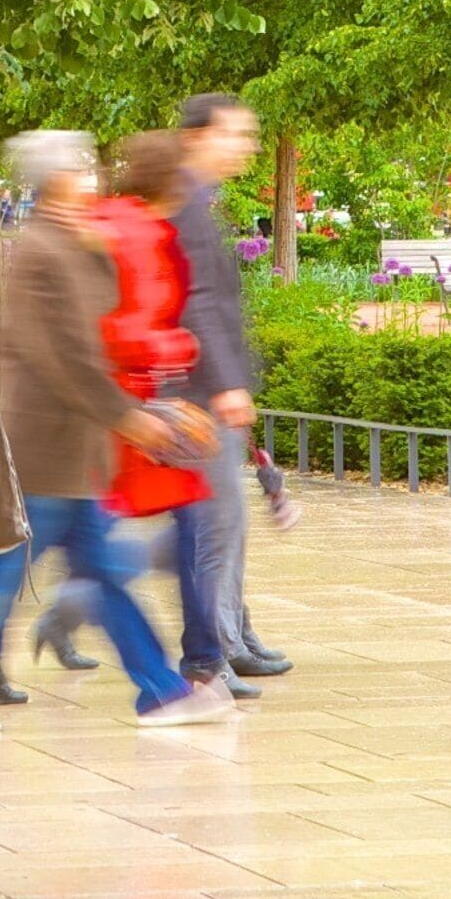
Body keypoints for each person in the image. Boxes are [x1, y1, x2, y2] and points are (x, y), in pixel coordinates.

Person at [0, 132, 234, 732]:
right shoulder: (41, 249)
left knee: (100, 574)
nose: (91, 175)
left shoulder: (77, 240)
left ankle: (162, 690)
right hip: (44, 451)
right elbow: (62, 358)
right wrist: (131, 419)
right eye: (79, 168)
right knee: (1, 577)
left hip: (79, 452)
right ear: (53, 178)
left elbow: (110, 332)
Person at [96, 130, 228, 692]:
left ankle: (202, 659)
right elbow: (125, 323)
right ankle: (196, 665)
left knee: (191, 523)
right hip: (128, 409)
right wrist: (177, 350)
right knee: (83, 531)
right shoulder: (131, 231)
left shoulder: (143, 227)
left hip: (142, 404)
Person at [173, 94, 286, 679]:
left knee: (227, 521)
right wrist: (224, 383)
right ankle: (214, 650)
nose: (246, 146)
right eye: (235, 134)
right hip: (197, 393)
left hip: (210, 389)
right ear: (197, 137)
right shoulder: (184, 205)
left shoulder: (200, 200)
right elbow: (196, 303)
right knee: (214, 525)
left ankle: (233, 634)